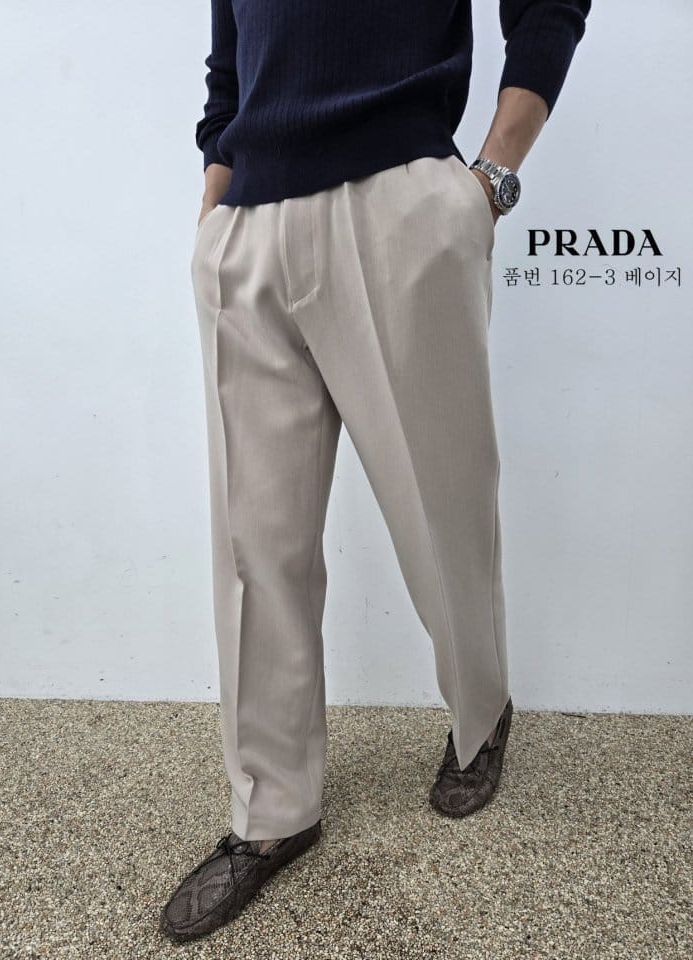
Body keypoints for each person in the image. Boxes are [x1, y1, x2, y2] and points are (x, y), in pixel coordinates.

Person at [160, 0, 591, 944]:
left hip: (397, 201)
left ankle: (481, 712)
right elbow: (229, 62)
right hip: (247, 229)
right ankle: (272, 809)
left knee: (441, 509)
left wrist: (487, 182)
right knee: (254, 545)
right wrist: (214, 212)